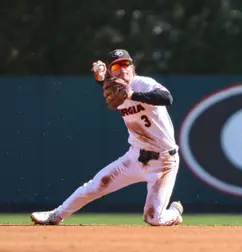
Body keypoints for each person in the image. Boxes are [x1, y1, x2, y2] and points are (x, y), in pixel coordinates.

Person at [31, 49, 183, 226]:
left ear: (133, 67)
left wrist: (132, 94)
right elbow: (109, 86)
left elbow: (167, 98)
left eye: (126, 64)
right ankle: (55, 216)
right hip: (135, 157)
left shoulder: (144, 84)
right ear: (111, 72)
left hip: (163, 162)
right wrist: (100, 77)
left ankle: (174, 213)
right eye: (117, 66)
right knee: (97, 185)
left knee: (154, 218)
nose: (123, 69)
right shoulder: (114, 88)